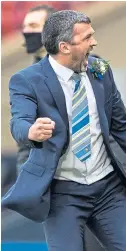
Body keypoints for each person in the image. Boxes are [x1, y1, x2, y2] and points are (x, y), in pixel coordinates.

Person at [2, 10, 126, 251]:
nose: (94, 42)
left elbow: (123, 124)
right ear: (64, 47)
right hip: (62, 194)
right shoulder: (27, 80)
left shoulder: (100, 68)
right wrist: (31, 131)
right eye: (87, 38)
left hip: (107, 189)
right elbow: (18, 122)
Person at [17, 5, 56, 171]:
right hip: (49, 172)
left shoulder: (86, 66)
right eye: (24, 27)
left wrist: (124, 165)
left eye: (33, 26)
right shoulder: (25, 79)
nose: (26, 32)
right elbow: (23, 134)